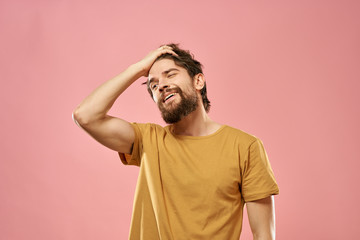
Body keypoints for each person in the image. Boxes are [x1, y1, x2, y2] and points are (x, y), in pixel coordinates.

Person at [72, 43, 280, 240]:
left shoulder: (245, 147)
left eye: (170, 74)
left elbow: (263, 235)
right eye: (153, 85)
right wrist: (138, 68)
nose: (161, 85)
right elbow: (86, 116)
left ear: (198, 81)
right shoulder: (148, 139)